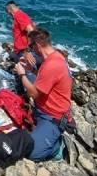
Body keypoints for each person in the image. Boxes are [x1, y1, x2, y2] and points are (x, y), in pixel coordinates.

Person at [11, 27, 73, 162]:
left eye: (31, 46)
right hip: (42, 108)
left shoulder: (52, 64)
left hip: (52, 117)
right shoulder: (54, 56)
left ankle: (57, 147)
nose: (30, 49)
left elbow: (33, 93)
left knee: (32, 153)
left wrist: (21, 73)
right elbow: (45, 78)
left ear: (38, 45)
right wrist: (30, 70)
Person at [5, 0, 38, 66]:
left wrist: (28, 50)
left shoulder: (18, 15)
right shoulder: (22, 15)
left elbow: (31, 31)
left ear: (9, 10)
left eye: (7, 12)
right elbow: (34, 27)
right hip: (22, 50)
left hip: (24, 51)